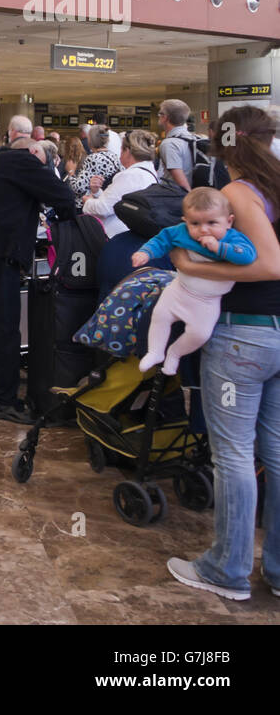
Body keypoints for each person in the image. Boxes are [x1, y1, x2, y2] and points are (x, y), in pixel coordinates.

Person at [162, 106, 280, 601]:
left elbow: (270, 265)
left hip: (242, 337)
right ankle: (275, 569)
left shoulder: (236, 193)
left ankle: (226, 570)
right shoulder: (274, 186)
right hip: (276, 335)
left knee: (232, 454)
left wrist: (189, 265)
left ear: (220, 141)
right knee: (275, 453)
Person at [0, 126, 79, 422]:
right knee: (5, 329)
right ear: (33, 152)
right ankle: (4, 401)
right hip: (2, 257)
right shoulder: (25, 162)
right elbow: (63, 196)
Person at [132, 188, 257, 377]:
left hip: (207, 301)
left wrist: (220, 247)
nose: (204, 229)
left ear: (229, 221)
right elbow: (161, 240)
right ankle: (155, 351)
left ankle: (174, 353)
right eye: (195, 223)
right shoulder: (180, 232)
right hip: (179, 290)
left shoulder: (233, 239)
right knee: (160, 316)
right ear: (185, 221)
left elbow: (247, 256)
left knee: (200, 334)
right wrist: (145, 253)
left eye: (212, 223)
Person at [82, 130, 159, 238]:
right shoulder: (150, 173)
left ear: (127, 151)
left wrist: (87, 201)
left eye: (121, 149)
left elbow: (104, 208)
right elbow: (118, 202)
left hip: (116, 235)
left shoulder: (129, 175)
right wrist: (97, 192)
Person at [67, 124, 121, 202]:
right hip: (108, 200)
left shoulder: (93, 158)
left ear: (90, 140)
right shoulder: (114, 156)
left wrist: (71, 172)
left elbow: (78, 188)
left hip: (89, 204)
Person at [157, 98, 196, 191]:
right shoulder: (194, 138)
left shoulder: (169, 144)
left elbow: (179, 179)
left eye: (159, 114)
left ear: (165, 117)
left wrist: (190, 198)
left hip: (176, 197)